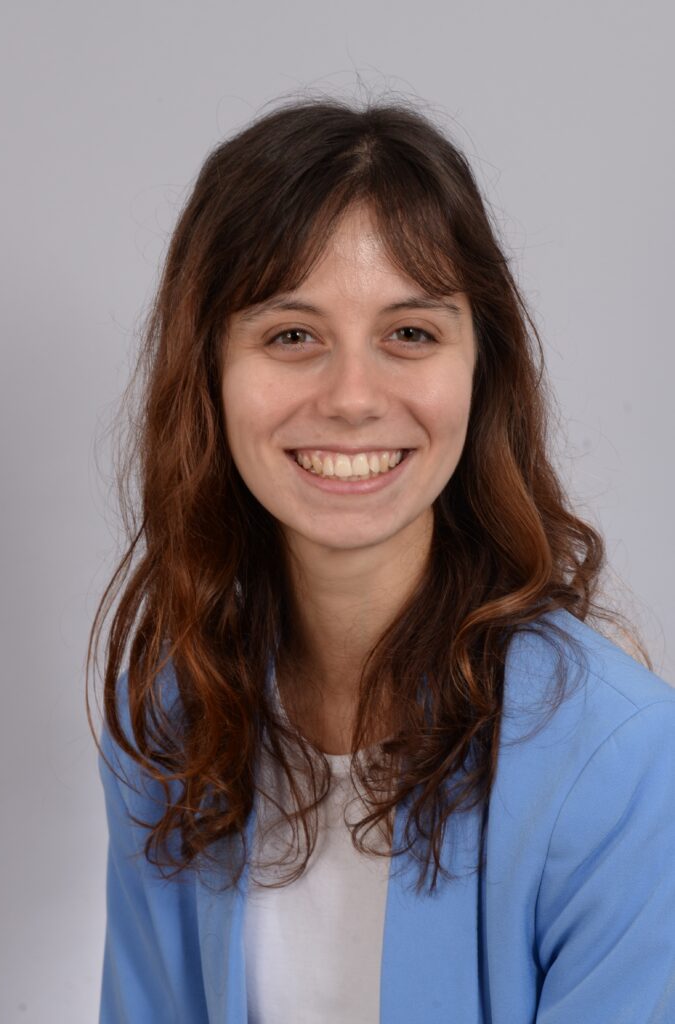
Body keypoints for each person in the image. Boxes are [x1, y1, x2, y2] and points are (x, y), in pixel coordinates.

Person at [88, 94, 675, 1024]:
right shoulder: (170, 721)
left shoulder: (623, 757)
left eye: (410, 334)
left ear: (480, 371)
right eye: (291, 335)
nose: (353, 397)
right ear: (208, 371)